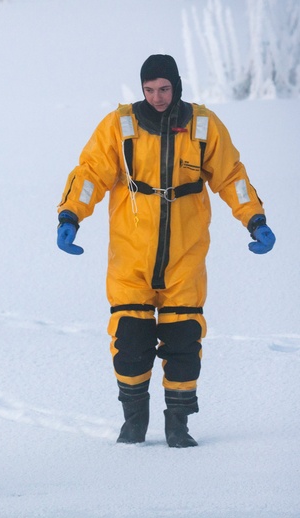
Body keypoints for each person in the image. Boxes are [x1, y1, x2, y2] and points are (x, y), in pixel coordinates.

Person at [56, 54, 276, 448]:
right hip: (130, 259)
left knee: (184, 344)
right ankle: (133, 422)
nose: (157, 97)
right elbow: (90, 173)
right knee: (130, 344)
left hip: (184, 259)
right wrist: (71, 215)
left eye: (164, 89)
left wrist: (254, 219)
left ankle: (178, 424)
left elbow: (231, 177)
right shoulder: (119, 126)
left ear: (176, 86)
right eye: (149, 89)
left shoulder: (203, 127)